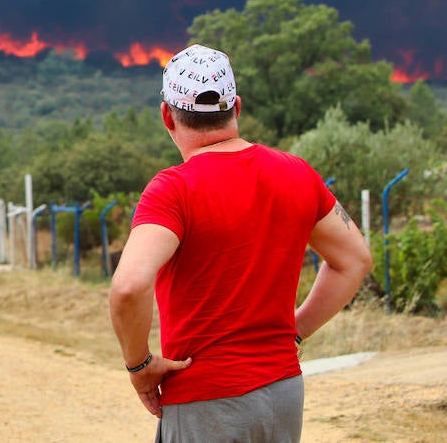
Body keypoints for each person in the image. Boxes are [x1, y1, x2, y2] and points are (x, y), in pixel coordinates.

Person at [109, 44, 373, 441]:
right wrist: (294, 332)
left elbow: (129, 287)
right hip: (283, 392)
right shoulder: (296, 173)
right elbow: (355, 260)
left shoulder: (173, 190)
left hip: (206, 399)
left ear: (167, 114)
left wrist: (139, 367)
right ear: (237, 108)